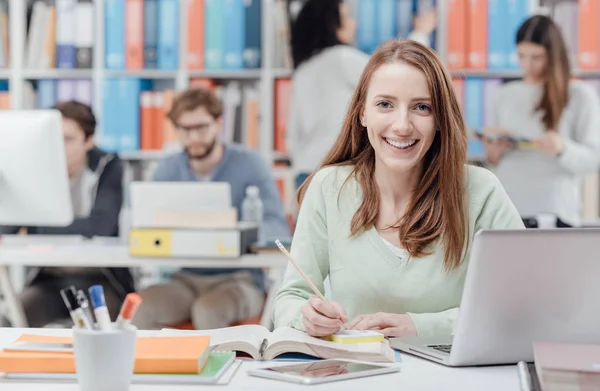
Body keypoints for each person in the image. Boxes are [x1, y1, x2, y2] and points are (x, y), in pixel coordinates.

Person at [271, 39, 524, 338]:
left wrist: (419, 327)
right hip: (358, 377)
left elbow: (520, 307)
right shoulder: (329, 187)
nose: (402, 125)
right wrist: (306, 318)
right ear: (362, 113)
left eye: (422, 107)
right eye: (385, 105)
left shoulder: (481, 192)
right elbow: (289, 300)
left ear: (441, 119)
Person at [131, 88, 290, 330]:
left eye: (202, 127)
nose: (194, 137)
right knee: (142, 305)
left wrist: (239, 232)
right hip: (186, 277)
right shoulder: (167, 169)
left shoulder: (250, 164)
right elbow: (150, 222)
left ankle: (216, 369)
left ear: (218, 124)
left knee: (207, 309)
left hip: (239, 278)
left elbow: (276, 225)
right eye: (185, 129)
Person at [0, 100, 134, 327]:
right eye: (52, 139)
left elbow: (102, 226)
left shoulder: (108, 167)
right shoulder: (35, 167)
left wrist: (37, 227)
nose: (58, 147)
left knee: (88, 329)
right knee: (11, 319)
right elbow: (9, 226)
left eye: (68, 139)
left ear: (88, 141)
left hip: (99, 280)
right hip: (50, 280)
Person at [286, 0, 437, 189]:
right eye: (347, 17)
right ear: (332, 24)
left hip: (304, 174)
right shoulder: (340, 58)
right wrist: (421, 33)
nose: (354, 24)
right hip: (336, 172)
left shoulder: (302, 71)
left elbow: (293, 136)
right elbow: (398, 73)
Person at [481, 15, 600, 227]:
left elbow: (594, 158)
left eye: (536, 57)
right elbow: (492, 160)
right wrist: (494, 151)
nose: (527, 65)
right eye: (521, 56)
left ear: (554, 56)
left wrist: (562, 149)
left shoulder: (580, 95)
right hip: (508, 209)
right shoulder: (503, 94)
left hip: (555, 211)